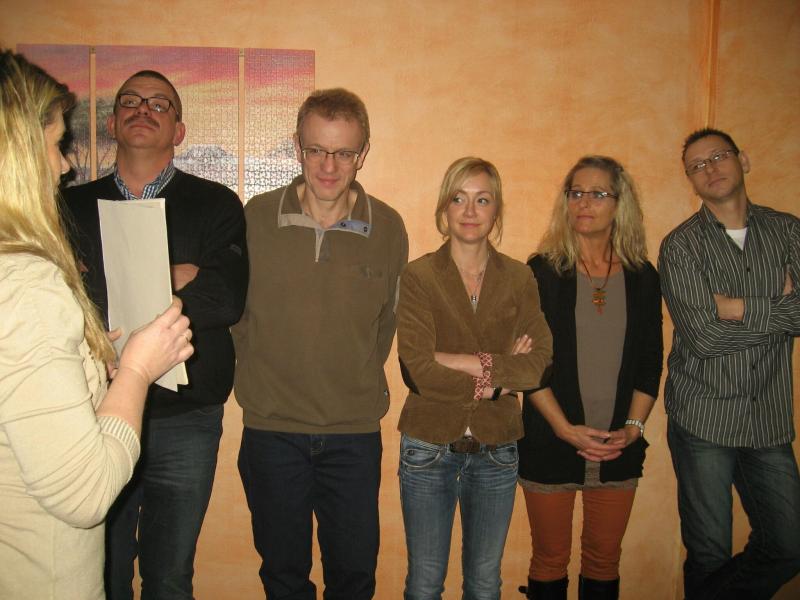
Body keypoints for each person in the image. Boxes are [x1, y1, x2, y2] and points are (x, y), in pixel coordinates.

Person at [0, 51, 194, 600]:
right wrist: (135, 369)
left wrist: (85, 360)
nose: (64, 166)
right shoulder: (25, 283)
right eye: (57, 144)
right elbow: (85, 495)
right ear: (17, 153)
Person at [62, 69, 248, 599]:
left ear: (179, 130)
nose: (143, 109)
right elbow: (62, 298)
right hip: (94, 408)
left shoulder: (217, 204)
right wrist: (174, 274)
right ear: (112, 122)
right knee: (102, 573)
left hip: (188, 414)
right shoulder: (69, 205)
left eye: (159, 104)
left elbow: (225, 299)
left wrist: (114, 279)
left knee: (169, 577)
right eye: (131, 101)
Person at [233, 88, 408, 599]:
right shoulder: (255, 218)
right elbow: (237, 317)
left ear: (362, 154)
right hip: (272, 431)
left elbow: (386, 323)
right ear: (297, 146)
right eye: (316, 150)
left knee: (353, 578)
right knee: (283, 576)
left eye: (343, 152)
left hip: (353, 435)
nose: (329, 166)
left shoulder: (387, 227)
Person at [396, 156, 552, 600]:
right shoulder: (419, 276)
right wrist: (501, 373)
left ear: (496, 208)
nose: (469, 210)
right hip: (427, 446)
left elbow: (539, 363)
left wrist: (467, 364)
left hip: (497, 448)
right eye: (458, 198)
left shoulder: (519, 277)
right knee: (425, 582)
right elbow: (419, 370)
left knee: (485, 583)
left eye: (482, 200)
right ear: (444, 208)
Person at [659, 128, 800, 599]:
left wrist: (736, 307)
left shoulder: (788, 231)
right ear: (690, 180)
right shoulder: (681, 246)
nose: (710, 169)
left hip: (767, 418)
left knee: (789, 546)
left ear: (743, 160)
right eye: (697, 166)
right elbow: (703, 338)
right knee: (709, 553)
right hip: (704, 418)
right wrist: (779, 308)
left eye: (718, 156)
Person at [517, 155, 663, 600]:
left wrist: (633, 429)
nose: (584, 202)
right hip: (550, 441)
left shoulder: (642, 276)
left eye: (598, 193)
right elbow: (529, 364)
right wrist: (564, 429)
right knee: (549, 558)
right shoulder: (542, 271)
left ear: (620, 203)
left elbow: (650, 362)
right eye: (576, 192)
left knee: (604, 559)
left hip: (618, 445)